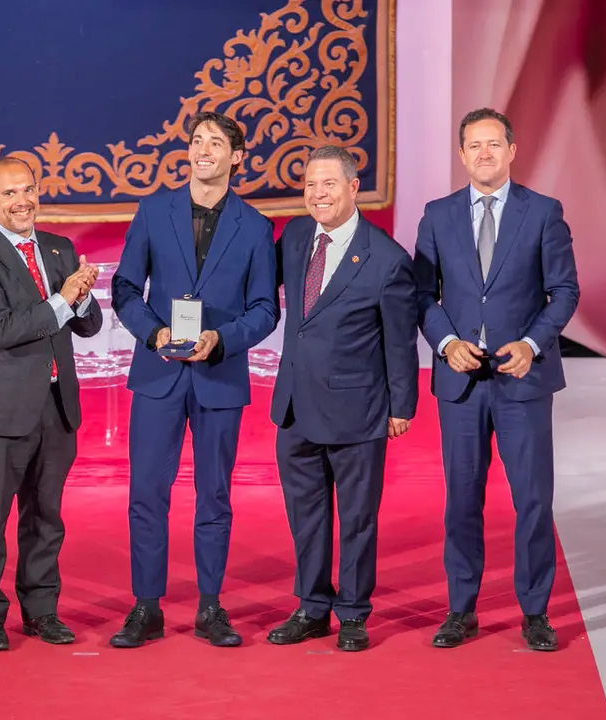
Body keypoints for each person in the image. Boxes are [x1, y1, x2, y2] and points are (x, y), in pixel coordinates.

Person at [109, 111, 279, 648]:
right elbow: (125, 288)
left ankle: (210, 606)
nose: (203, 149)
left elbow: (264, 309)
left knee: (215, 496)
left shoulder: (255, 226)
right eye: (196, 141)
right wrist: (154, 334)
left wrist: (221, 340)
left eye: (215, 142)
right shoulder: (153, 211)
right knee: (146, 494)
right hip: (158, 372)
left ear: (236, 156)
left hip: (218, 375)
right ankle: (146, 606)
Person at [412, 108, 580, 651]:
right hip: (460, 382)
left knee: (532, 499)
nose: (484, 154)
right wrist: (446, 343)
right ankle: (461, 609)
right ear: (462, 156)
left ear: (512, 151)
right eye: (474, 146)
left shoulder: (543, 212)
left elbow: (565, 292)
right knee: (462, 498)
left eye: (493, 144)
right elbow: (421, 295)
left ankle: (535, 612)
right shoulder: (437, 215)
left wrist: (532, 344)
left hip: (521, 378)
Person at [265, 145, 419, 652]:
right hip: (294, 406)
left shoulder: (388, 259)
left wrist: (401, 407)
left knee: (356, 516)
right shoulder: (293, 237)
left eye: (328, 184)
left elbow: (398, 340)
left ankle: (353, 612)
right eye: (310, 185)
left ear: (354, 188)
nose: (317, 194)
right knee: (305, 515)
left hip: (357, 409)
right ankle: (312, 606)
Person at [0, 156, 103, 651]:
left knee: (45, 517)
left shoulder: (60, 248)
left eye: (29, 190)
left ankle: (42, 610)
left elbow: (88, 325)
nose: (23, 202)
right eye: (11, 193)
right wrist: (62, 299)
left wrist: (80, 297)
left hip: (56, 407)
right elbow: (0, 330)